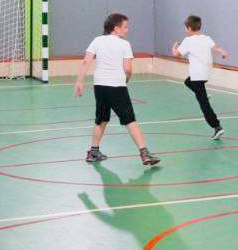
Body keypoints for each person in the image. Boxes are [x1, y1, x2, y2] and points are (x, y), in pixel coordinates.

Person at [74, 13, 160, 166]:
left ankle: (93, 152)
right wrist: (126, 80)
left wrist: (79, 81)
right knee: (130, 120)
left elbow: (86, 61)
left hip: (100, 86)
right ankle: (145, 153)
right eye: (125, 27)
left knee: (101, 119)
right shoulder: (125, 45)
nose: (127, 30)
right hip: (117, 86)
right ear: (115, 28)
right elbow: (128, 69)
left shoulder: (97, 40)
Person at [171, 15, 229, 140]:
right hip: (206, 73)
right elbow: (216, 48)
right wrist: (223, 52)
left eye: (185, 28)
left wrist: (174, 46)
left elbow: (176, 54)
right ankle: (205, 95)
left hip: (197, 76)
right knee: (187, 82)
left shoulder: (188, 40)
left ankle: (217, 126)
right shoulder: (207, 38)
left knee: (204, 104)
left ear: (189, 28)